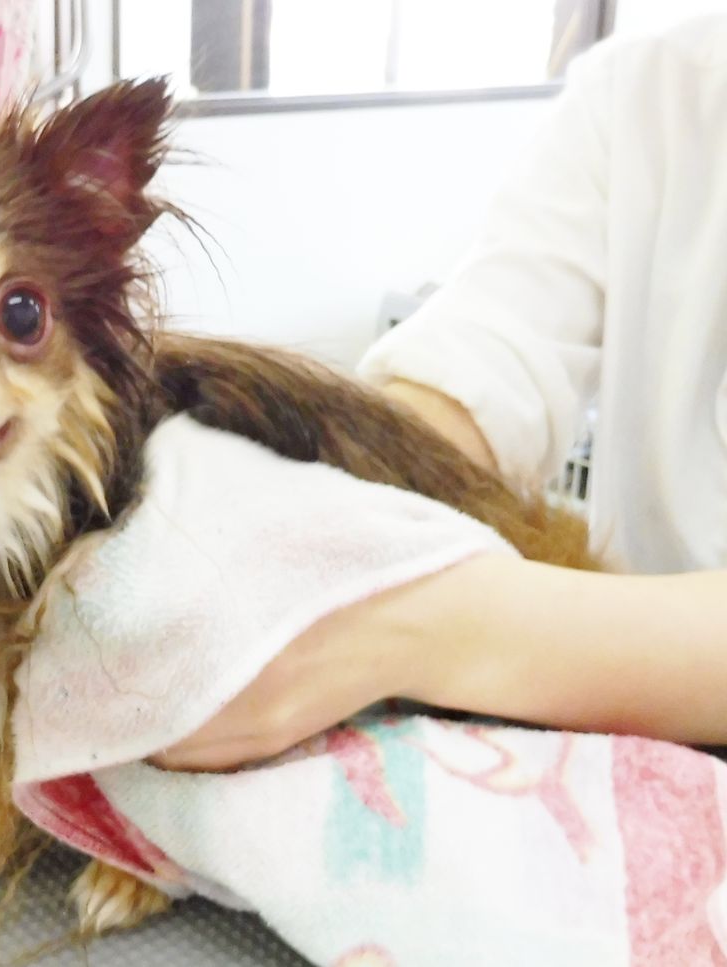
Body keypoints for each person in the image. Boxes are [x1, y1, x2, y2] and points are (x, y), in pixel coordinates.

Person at [153, 15, 727, 771]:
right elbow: (487, 356)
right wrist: (327, 518)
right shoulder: (644, 90)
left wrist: (417, 627)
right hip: (620, 745)